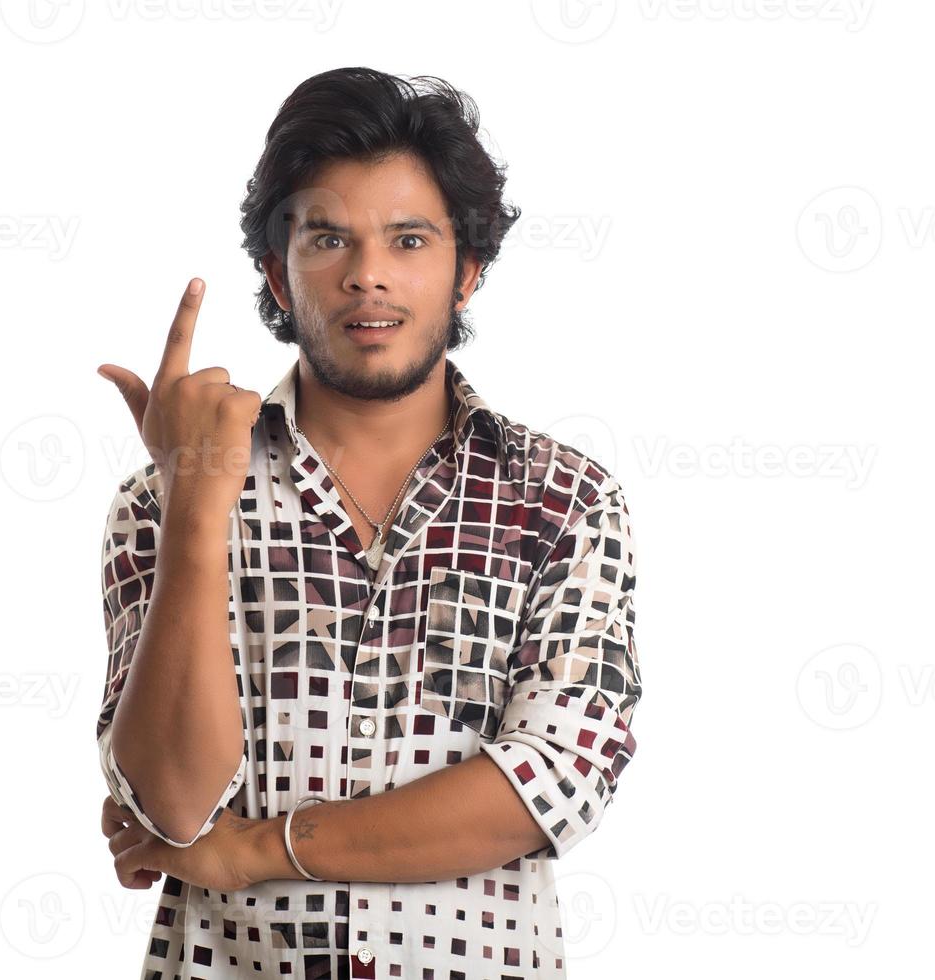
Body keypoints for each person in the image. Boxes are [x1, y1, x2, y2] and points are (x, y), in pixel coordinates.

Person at [94, 66, 641, 979]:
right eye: (329, 239)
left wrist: (257, 850)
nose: (369, 276)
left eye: (410, 239)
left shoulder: (561, 501)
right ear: (278, 269)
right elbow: (173, 807)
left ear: (466, 271)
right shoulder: (159, 500)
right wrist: (197, 508)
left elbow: (551, 783)